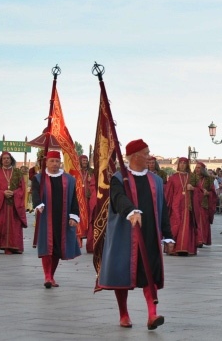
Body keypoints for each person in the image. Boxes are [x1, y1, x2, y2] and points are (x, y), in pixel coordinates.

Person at [98, 139, 174, 330]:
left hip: (150, 234)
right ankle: (123, 313)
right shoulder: (118, 178)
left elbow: (162, 209)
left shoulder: (155, 180)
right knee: (122, 274)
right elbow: (117, 198)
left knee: (150, 273)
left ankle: (152, 314)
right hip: (125, 235)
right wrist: (131, 211)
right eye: (146, 153)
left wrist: (168, 234)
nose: (149, 157)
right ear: (134, 156)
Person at [32, 151, 81, 288]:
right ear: (46, 162)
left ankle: (51, 275)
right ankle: (47, 276)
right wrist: (38, 204)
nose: (54, 164)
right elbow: (35, 193)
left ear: (60, 163)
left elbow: (74, 200)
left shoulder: (69, 179)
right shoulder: (39, 178)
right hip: (45, 217)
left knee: (57, 249)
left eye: (57, 161)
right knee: (47, 247)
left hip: (62, 219)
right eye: (51, 161)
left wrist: (74, 216)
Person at [164, 157, 196, 255]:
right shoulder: (173, 177)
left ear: (187, 165)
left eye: (184, 163)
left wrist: (193, 188)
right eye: (181, 163)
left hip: (187, 205)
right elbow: (168, 193)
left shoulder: (191, 177)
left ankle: (184, 248)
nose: (182, 165)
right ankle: (172, 248)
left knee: (186, 225)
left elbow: (200, 190)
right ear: (178, 165)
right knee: (175, 224)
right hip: (176, 204)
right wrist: (167, 206)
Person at [190, 162, 216, 248]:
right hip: (194, 202)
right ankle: (196, 239)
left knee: (203, 221)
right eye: (196, 167)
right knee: (194, 220)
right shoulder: (191, 177)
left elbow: (213, 192)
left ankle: (201, 239)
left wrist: (208, 193)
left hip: (204, 203)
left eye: (199, 168)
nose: (197, 169)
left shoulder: (209, 179)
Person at [79, 154, 96, 253]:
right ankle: (79, 240)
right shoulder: (77, 171)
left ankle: (88, 239)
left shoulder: (91, 172)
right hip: (79, 198)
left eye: (86, 161)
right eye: (83, 161)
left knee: (88, 218)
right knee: (80, 219)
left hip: (88, 198)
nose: (85, 162)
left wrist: (90, 181)